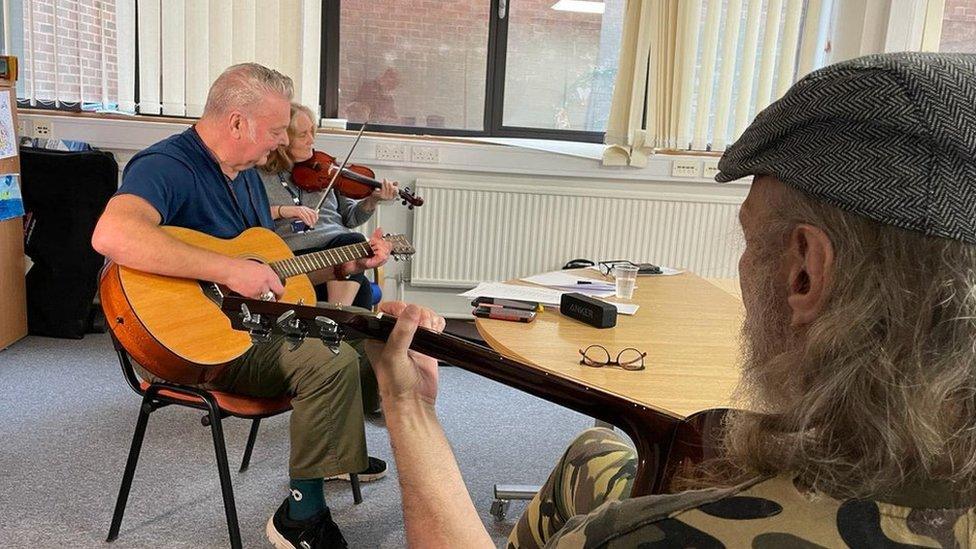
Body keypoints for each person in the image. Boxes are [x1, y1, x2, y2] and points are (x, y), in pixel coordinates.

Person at [363, 53, 976, 547]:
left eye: (749, 239)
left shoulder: (646, 538)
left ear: (805, 273)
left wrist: (408, 405)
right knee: (599, 451)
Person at [92, 63, 392, 548]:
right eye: (275, 130)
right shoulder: (165, 165)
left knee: (370, 328)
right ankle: (303, 516)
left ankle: (330, 454)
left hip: (252, 325)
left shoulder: (249, 176)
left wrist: (345, 268)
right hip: (191, 343)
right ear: (236, 122)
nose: (281, 142)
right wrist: (226, 270)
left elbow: (271, 270)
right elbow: (112, 234)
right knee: (327, 358)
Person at [259, 102, 399, 310]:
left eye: (312, 132)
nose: (311, 141)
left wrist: (372, 200)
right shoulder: (259, 175)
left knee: (353, 244)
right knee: (357, 282)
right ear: (282, 139)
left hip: (340, 247)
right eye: (303, 135)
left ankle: (333, 319)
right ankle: (339, 322)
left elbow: (350, 218)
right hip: (299, 259)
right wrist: (285, 210)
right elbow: (251, 216)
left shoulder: (326, 171)